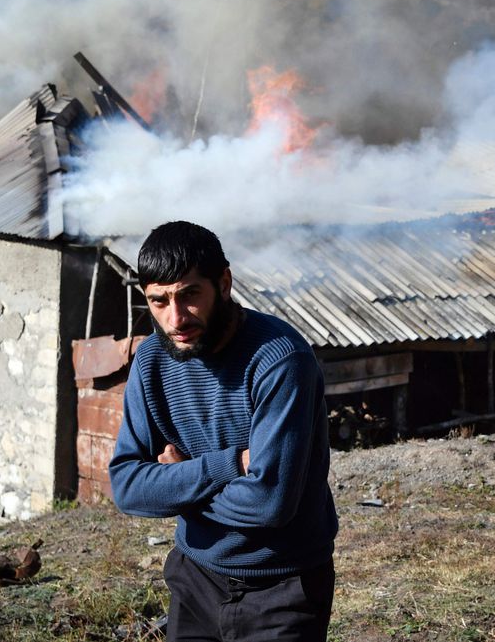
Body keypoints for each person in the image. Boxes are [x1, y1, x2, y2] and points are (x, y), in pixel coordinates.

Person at [109, 221, 338, 641]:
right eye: (158, 301)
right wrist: (226, 466)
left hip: (283, 588)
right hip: (195, 577)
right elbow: (126, 488)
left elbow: (269, 503)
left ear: (224, 282)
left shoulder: (280, 360)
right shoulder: (151, 364)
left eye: (189, 294)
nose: (175, 318)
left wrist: (177, 484)